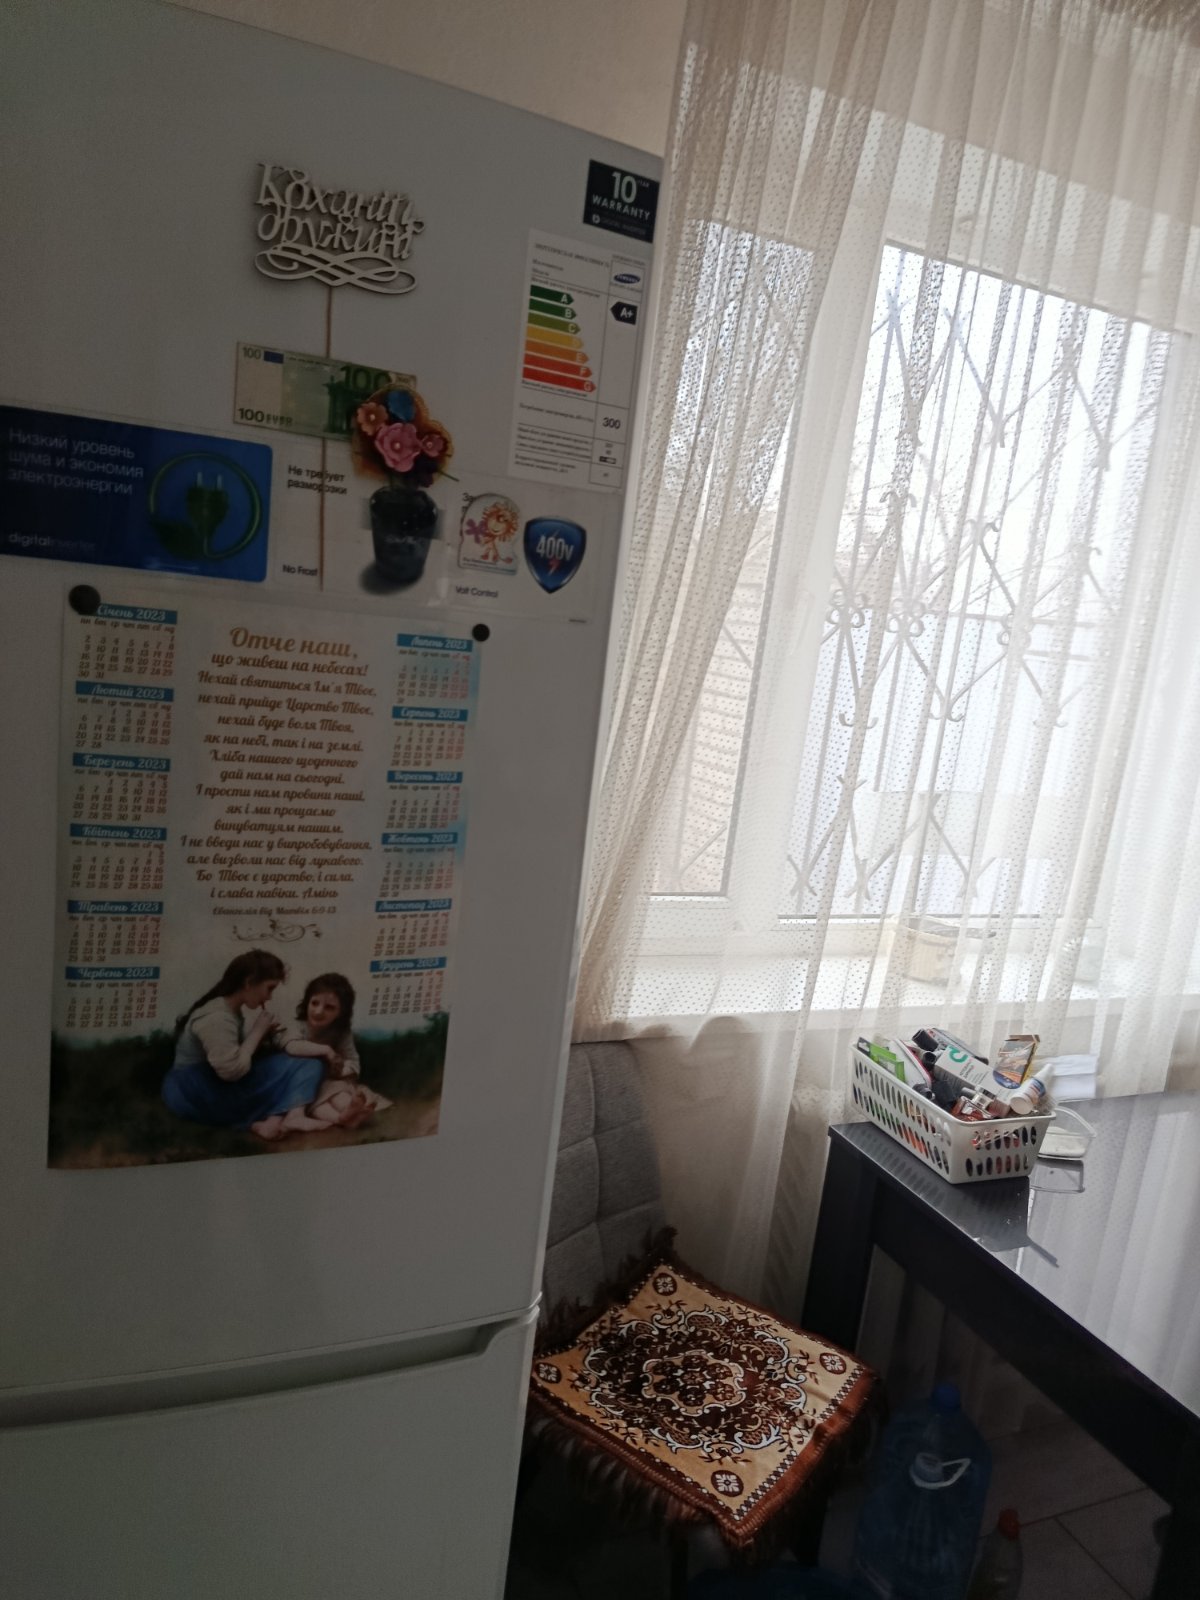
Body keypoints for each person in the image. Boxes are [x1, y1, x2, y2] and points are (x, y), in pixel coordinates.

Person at [162, 950, 324, 1129]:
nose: (269, 997)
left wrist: (263, 1035)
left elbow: (234, 1055)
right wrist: (258, 1031)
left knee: (301, 1064)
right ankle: (286, 1117)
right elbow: (231, 1071)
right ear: (249, 982)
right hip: (199, 1092)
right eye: (269, 988)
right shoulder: (217, 1017)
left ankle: (268, 1124)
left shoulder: (228, 1010)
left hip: (201, 1087)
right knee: (306, 1065)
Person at [251, 972, 392, 1141]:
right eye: (314, 1003)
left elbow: (353, 1061)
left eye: (329, 1007)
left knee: (336, 1092)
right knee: (325, 1093)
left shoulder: (341, 1033)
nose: (318, 1011)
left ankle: (345, 1116)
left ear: (341, 1012)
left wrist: (342, 1070)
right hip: (291, 1084)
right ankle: (343, 1115)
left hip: (324, 1082)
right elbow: (292, 1046)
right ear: (307, 1002)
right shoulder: (297, 1025)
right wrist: (327, 1051)